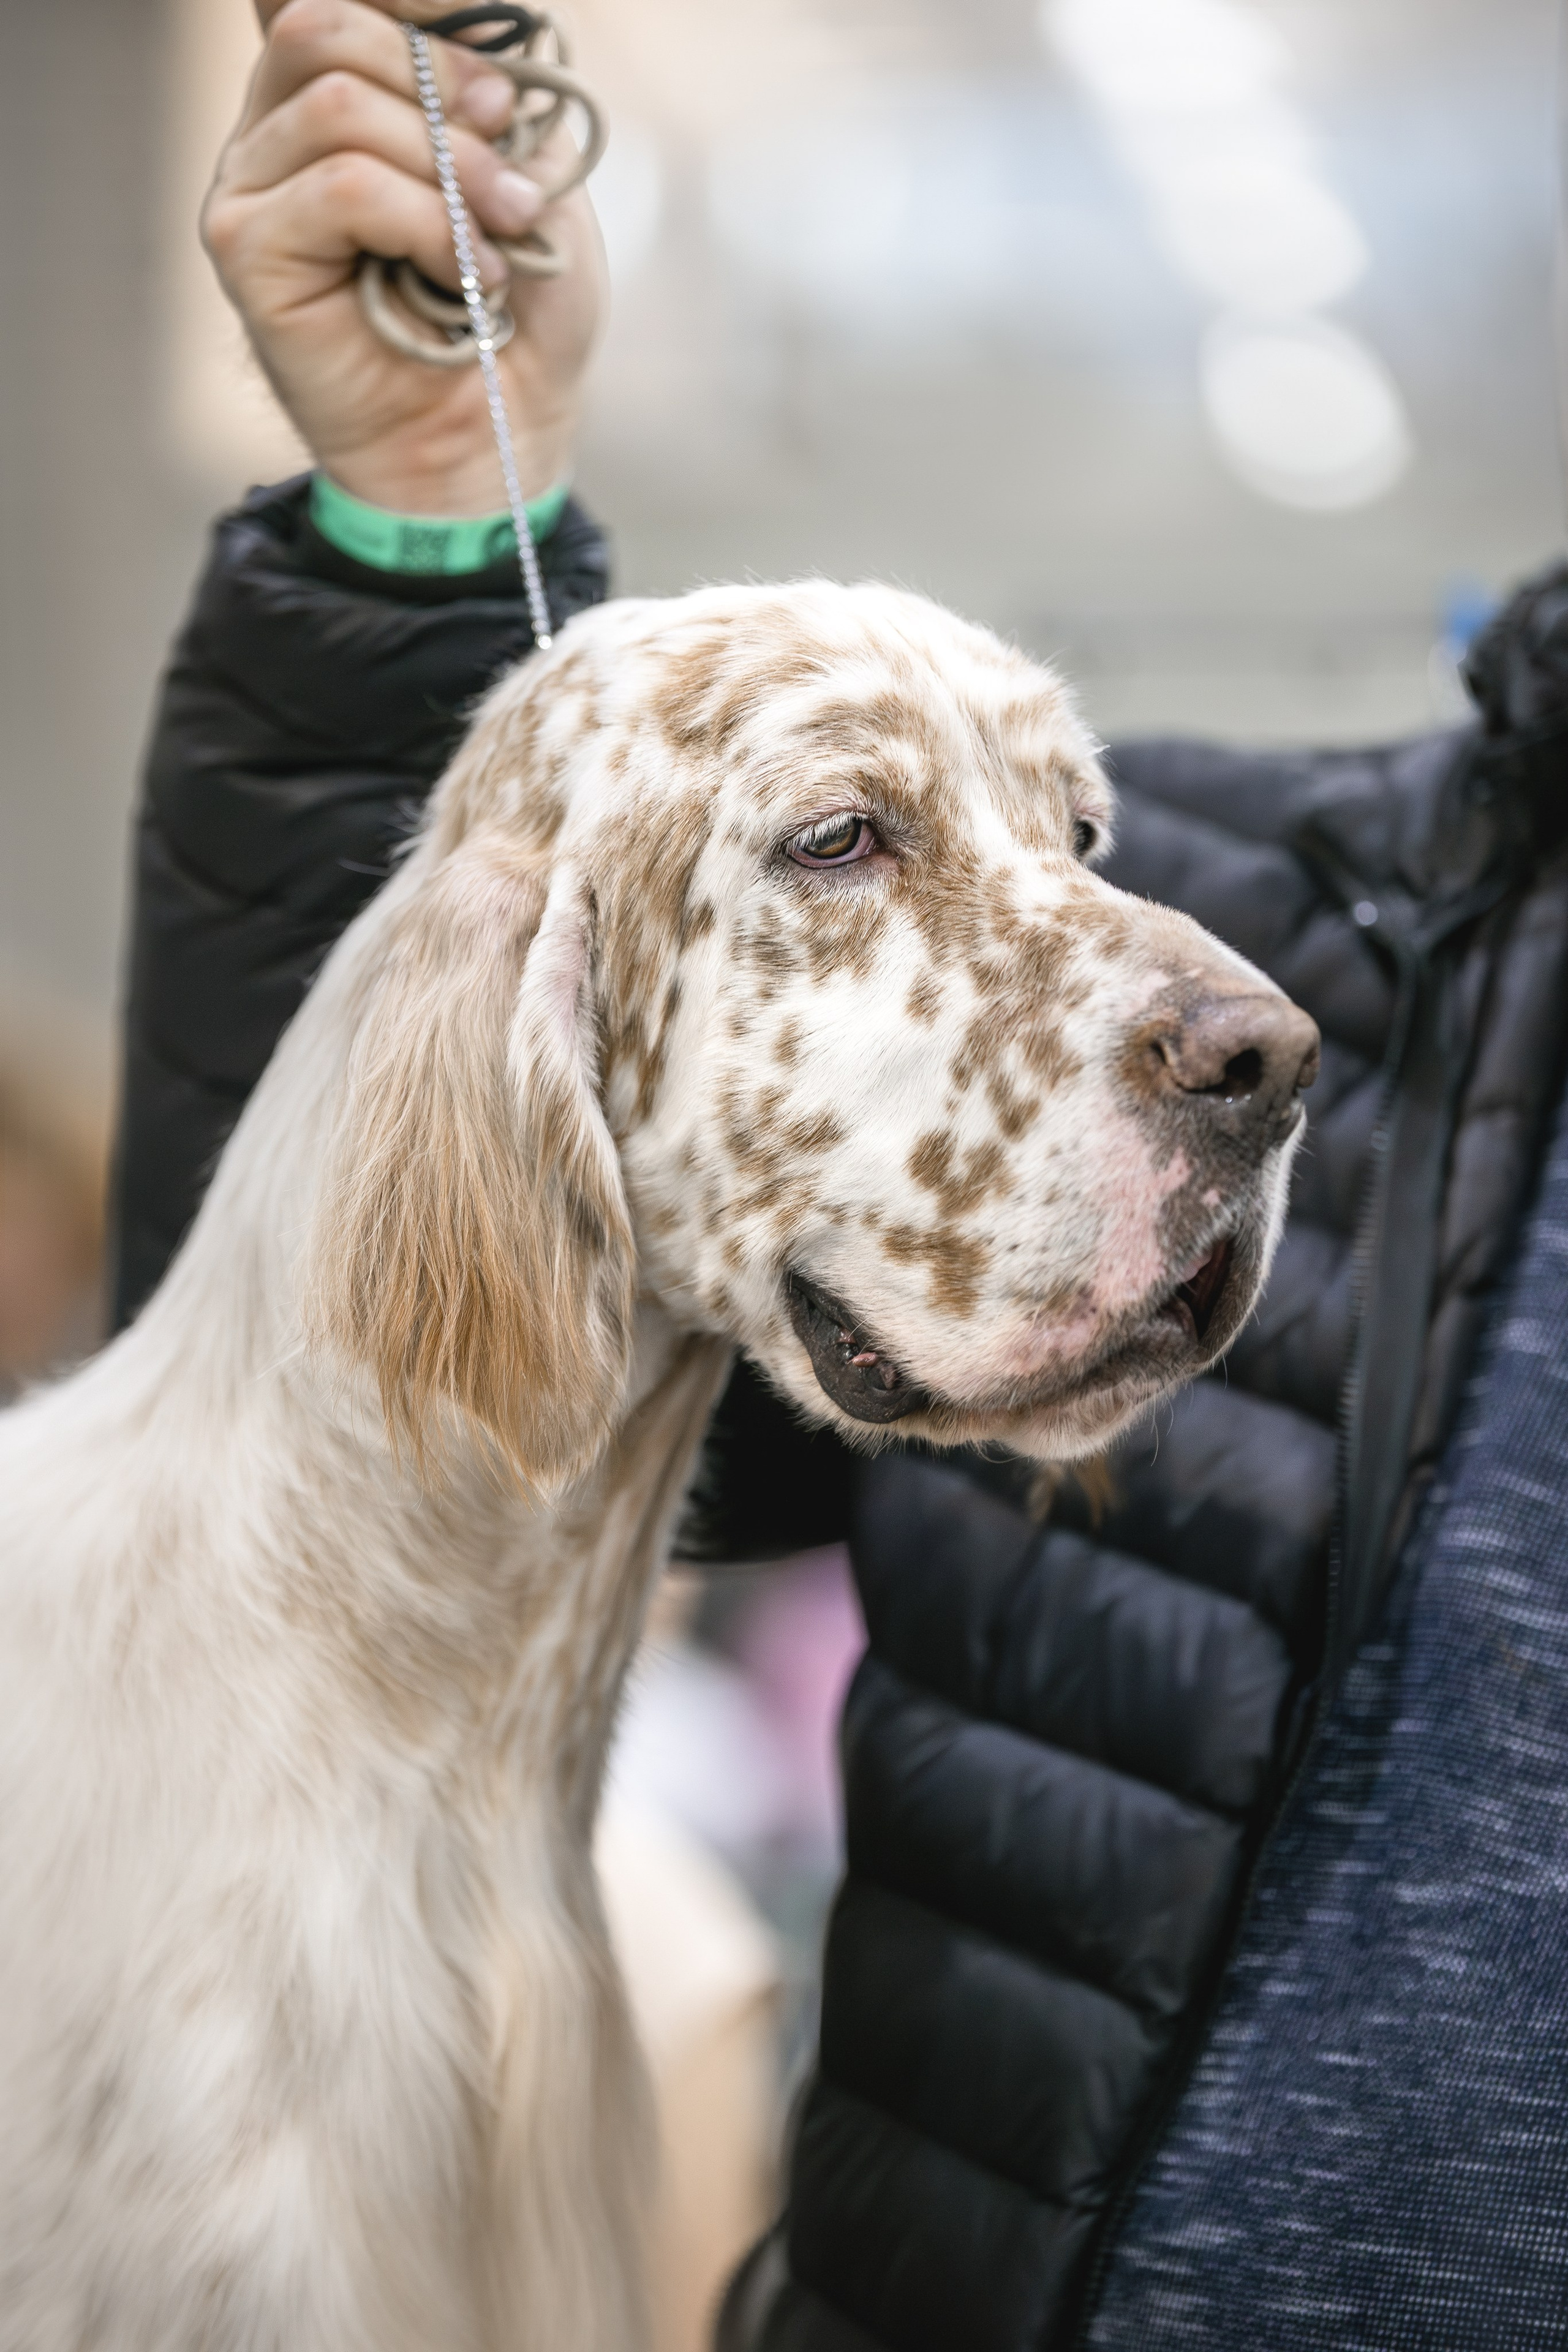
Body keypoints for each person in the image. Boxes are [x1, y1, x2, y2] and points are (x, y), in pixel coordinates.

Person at [113, 4, 1568, 2346]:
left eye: (1069, 834)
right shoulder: (1354, 920)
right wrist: (414, 521)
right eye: (859, 838)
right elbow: (346, 1380)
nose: (1213, 1017)